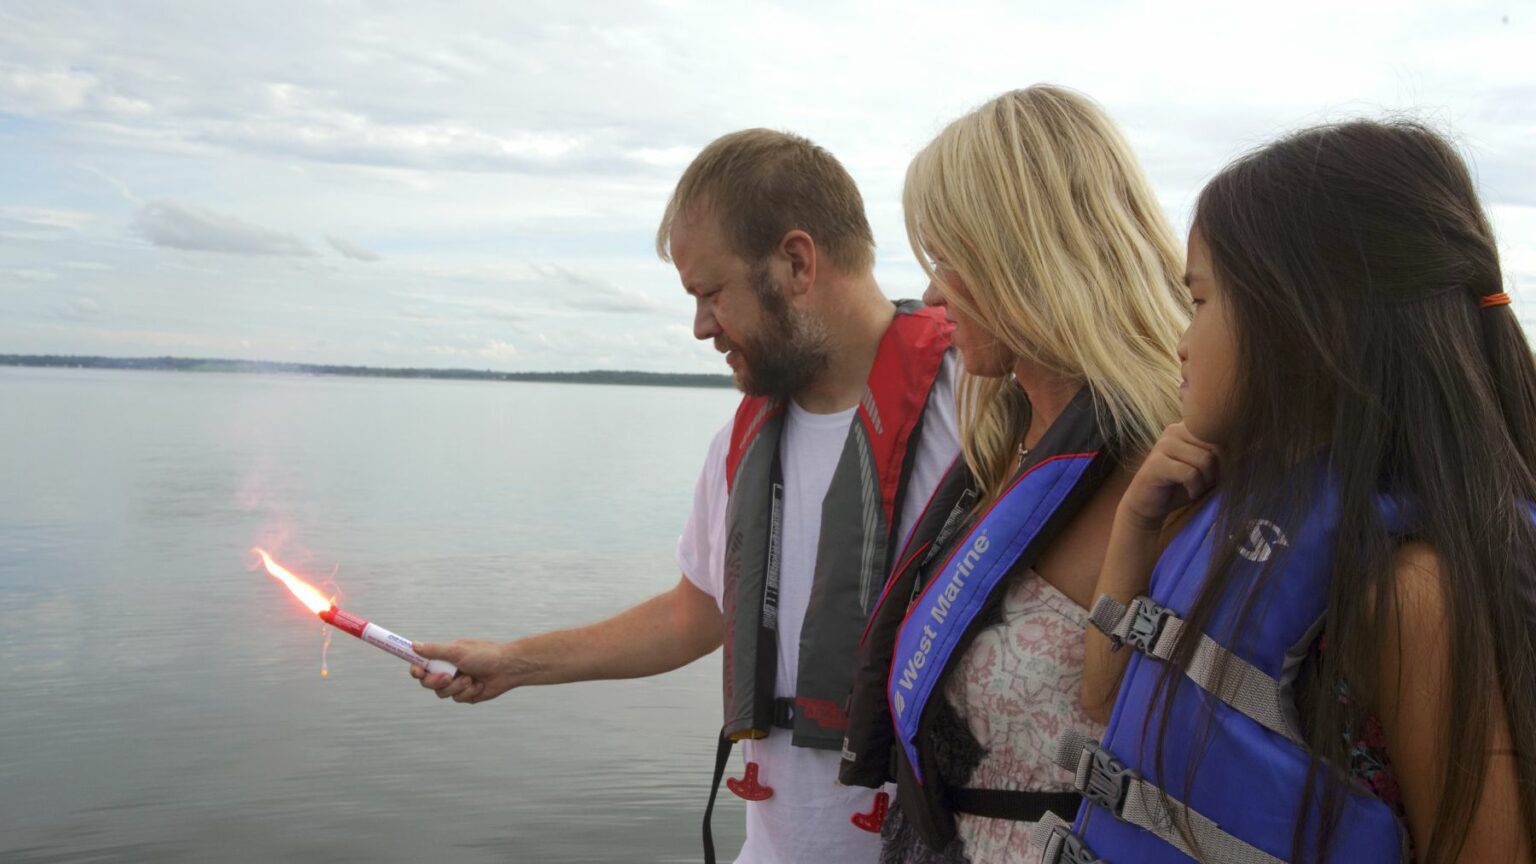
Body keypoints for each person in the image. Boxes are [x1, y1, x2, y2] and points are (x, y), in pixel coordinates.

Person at [411, 128, 963, 864]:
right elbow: (693, 614)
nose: (701, 326)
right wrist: (514, 662)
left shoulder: (981, 411)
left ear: (797, 262)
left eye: (711, 293)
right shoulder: (743, 440)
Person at [1053, 121, 1536, 863]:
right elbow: (1103, 698)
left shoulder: (1411, 589)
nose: (1181, 339)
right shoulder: (1236, 505)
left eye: (1202, 302)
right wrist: (1135, 526)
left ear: (1306, 322)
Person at [839, 85, 1189, 864]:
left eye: (947, 259)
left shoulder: (1167, 475)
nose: (930, 292)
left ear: (1023, 253)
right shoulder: (999, 455)